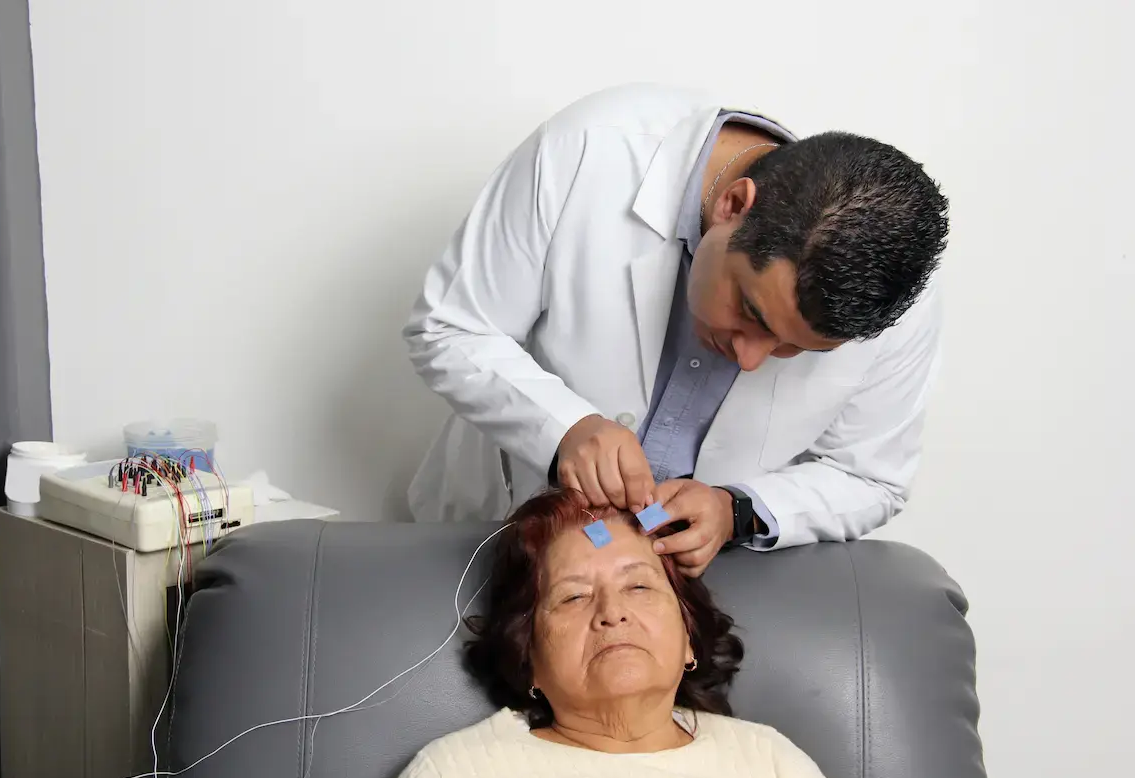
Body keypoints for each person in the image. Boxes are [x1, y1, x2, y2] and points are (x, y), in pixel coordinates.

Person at [404, 83, 949, 576]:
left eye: (796, 349)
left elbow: (869, 477)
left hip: (683, 588)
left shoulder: (890, 299)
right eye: (752, 312)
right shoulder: (590, 150)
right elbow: (451, 327)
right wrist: (564, 428)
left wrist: (735, 510)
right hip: (486, 527)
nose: (751, 359)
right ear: (733, 205)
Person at [380, 488, 840, 778]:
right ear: (528, 656)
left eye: (638, 586)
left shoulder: (770, 764)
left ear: (688, 639)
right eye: (573, 597)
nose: (612, 612)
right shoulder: (453, 777)